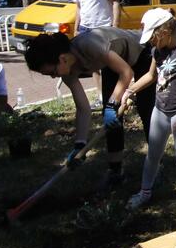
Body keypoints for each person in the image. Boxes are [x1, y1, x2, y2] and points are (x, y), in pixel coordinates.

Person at [24, 28, 155, 186]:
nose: (53, 77)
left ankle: (156, 165)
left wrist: (113, 103)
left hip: (140, 52)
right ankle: (115, 171)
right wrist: (80, 144)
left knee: (146, 109)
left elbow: (126, 72)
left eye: (52, 72)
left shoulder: (90, 45)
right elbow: (83, 108)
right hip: (113, 60)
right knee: (110, 118)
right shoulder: (67, 74)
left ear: (62, 59)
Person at [125, 8, 176, 210]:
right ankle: (145, 192)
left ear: (163, 32)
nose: (150, 42)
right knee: (153, 155)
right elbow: (151, 76)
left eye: (152, 37)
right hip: (160, 110)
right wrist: (130, 91)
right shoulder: (157, 51)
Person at [66, 0, 120, 107]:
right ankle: (100, 96)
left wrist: (115, 27)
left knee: (108, 64)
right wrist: (76, 29)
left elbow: (115, 2)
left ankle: (114, 95)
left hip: (103, 28)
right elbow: (79, 7)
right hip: (85, 29)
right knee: (93, 65)